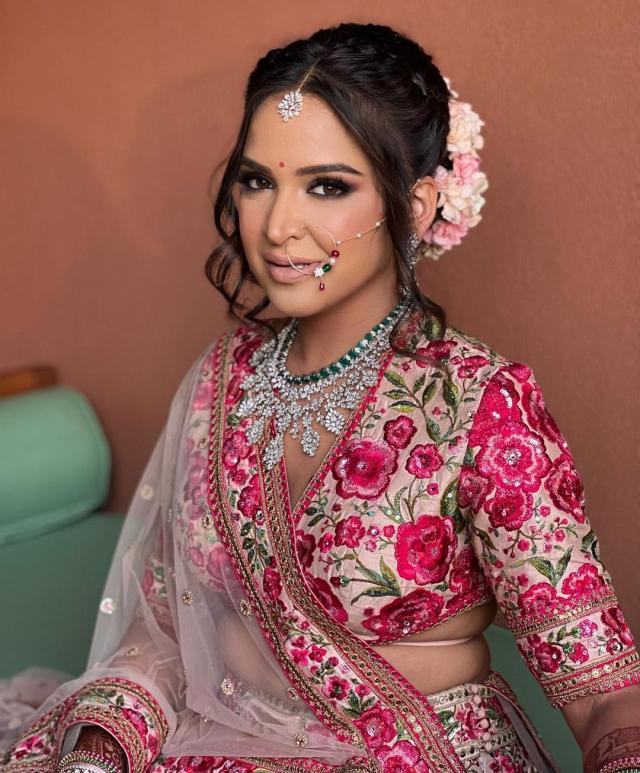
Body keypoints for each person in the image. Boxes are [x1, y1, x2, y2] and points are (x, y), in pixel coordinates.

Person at [1, 21, 639, 773]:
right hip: (212, 742)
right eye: (256, 180)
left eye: (328, 186)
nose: (276, 225)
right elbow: (164, 633)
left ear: (418, 201)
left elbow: (603, 692)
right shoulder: (222, 383)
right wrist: (100, 755)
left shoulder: (476, 403)